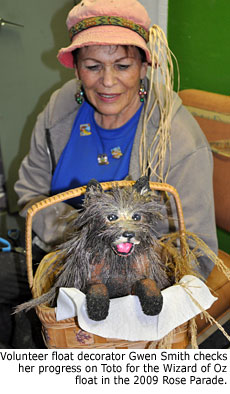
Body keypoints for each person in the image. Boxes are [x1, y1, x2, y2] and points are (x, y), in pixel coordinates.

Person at [1, 0, 218, 346]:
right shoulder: (60, 106)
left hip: (137, 281)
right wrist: (80, 247)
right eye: (92, 66)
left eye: (122, 65)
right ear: (76, 68)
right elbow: (29, 191)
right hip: (55, 258)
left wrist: (121, 265)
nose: (107, 82)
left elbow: (198, 254)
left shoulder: (176, 136)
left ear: (144, 66)